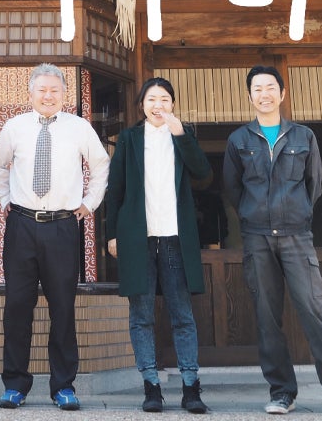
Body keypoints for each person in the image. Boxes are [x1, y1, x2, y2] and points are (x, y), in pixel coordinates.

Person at [223, 65, 322, 419]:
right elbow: (232, 188)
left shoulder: (303, 136)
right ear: (249, 96)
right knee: (267, 319)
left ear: (282, 93)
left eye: (270, 87)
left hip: (296, 236)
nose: (264, 94)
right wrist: (253, 215)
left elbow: (313, 185)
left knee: (314, 312)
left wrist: (296, 214)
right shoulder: (239, 140)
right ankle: (281, 392)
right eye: (257, 89)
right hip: (257, 238)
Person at [0, 63, 110, 412]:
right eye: (41, 90)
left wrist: (89, 202)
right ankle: (15, 385)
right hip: (22, 225)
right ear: (30, 93)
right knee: (17, 307)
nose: (48, 96)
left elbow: (101, 165)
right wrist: (3, 199)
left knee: (63, 307)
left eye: (54, 90)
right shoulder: (15, 127)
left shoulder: (79, 127)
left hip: (62, 226)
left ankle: (63, 386)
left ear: (64, 94)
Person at [105, 77, 212, 415]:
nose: (158, 105)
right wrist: (112, 234)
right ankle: (151, 386)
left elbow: (203, 174)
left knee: (182, 315)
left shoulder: (183, 135)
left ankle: (191, 388)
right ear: (142, 105)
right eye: (151, 99)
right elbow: (115, 189)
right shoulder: (129, 139)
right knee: (141, 316)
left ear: (173, 104)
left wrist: (181, 136)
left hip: (175, 238)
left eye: (164, 99)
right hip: (139, 239)